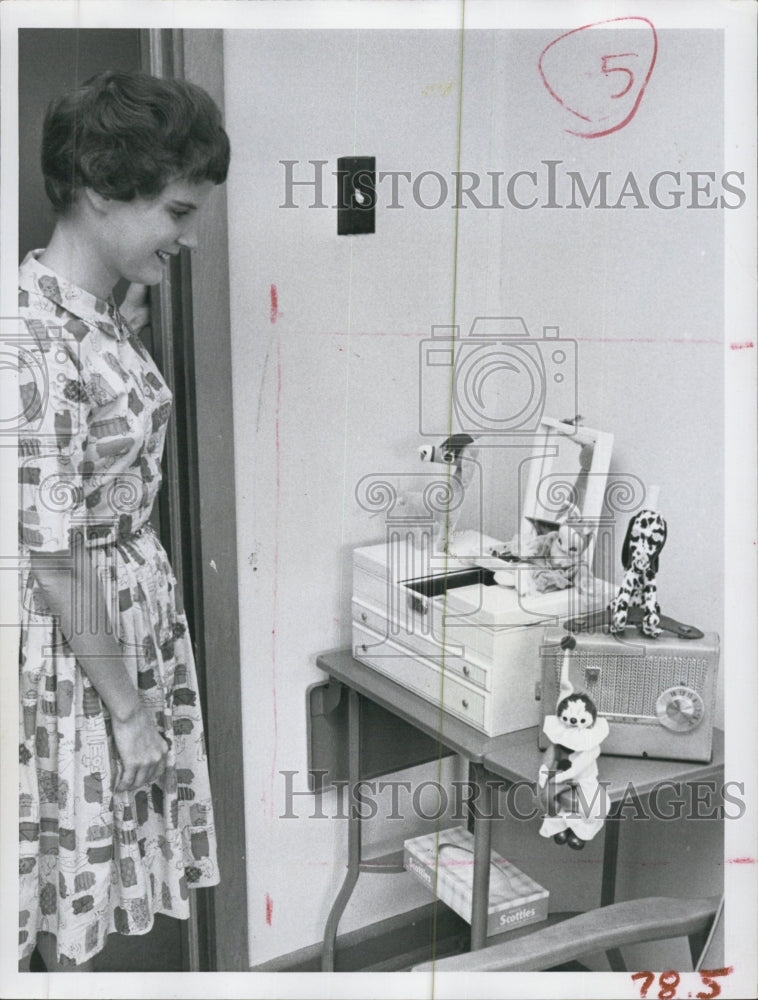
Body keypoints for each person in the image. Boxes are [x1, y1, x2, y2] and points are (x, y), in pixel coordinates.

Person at [17, 70, 230, 971]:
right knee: (51, 882)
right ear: (101, 188)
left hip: (118, 622)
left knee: (83, 877)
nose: (189, 235)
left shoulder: (89, 315)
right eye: (177, 211)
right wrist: (130, 709)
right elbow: (55, 554)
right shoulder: (26, 336)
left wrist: (121, 329)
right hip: (78, 647)